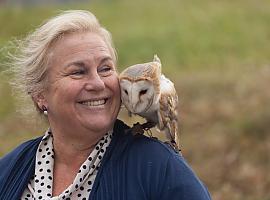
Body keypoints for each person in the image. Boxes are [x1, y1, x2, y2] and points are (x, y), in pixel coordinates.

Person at [0, 10, 211, 200]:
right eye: (78, 72)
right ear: (40, 94)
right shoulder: (8, 170)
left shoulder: (158, 168)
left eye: (105, 69)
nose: (98, 83)